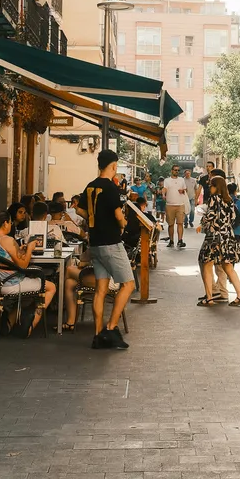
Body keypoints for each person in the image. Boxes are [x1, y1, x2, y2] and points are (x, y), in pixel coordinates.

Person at [84, 149, 136, 350]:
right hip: (111, 243)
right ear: (113, 166)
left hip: (95, 244)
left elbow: (81, 210)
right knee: (128, 285)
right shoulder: (111, 187)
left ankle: (98, 335)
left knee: (101, 289)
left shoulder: (90, 187)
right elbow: (118, 216)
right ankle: (111, 328)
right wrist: (123, 222)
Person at [0, 210, 57, 336]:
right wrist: (29, 249)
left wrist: (21, 251)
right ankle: (31, 326)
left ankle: (9, 322)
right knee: (51, 287)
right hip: (11, 283)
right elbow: (23, 265)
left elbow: (8, 258)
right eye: (10, 223)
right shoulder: (7, 239)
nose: (11, 225)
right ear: (5, 223)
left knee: (25, 296)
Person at [196, 176, 240, 307]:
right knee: (228, 266)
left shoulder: (214, 199)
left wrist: (202, 223)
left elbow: (211, 214)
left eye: (211, 186)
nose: (210, 188)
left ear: (215, 187)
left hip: (214, 236)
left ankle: (209, 297)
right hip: (227, 236)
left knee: (206, 263)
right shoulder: (229, 200)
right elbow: (234, 217)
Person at [163, 165, 190, 249]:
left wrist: (183, 190)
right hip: (170, 205)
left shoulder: (181, 180)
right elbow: (165, 189)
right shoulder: (167, 180)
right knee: (170, 224)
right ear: (172, 171)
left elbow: (186, 189)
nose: (177, 172)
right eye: (175, 170)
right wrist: (163, 194)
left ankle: (180, 240)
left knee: (180, 223)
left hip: (180, 204)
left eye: (178, 170)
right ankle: (171, 240)